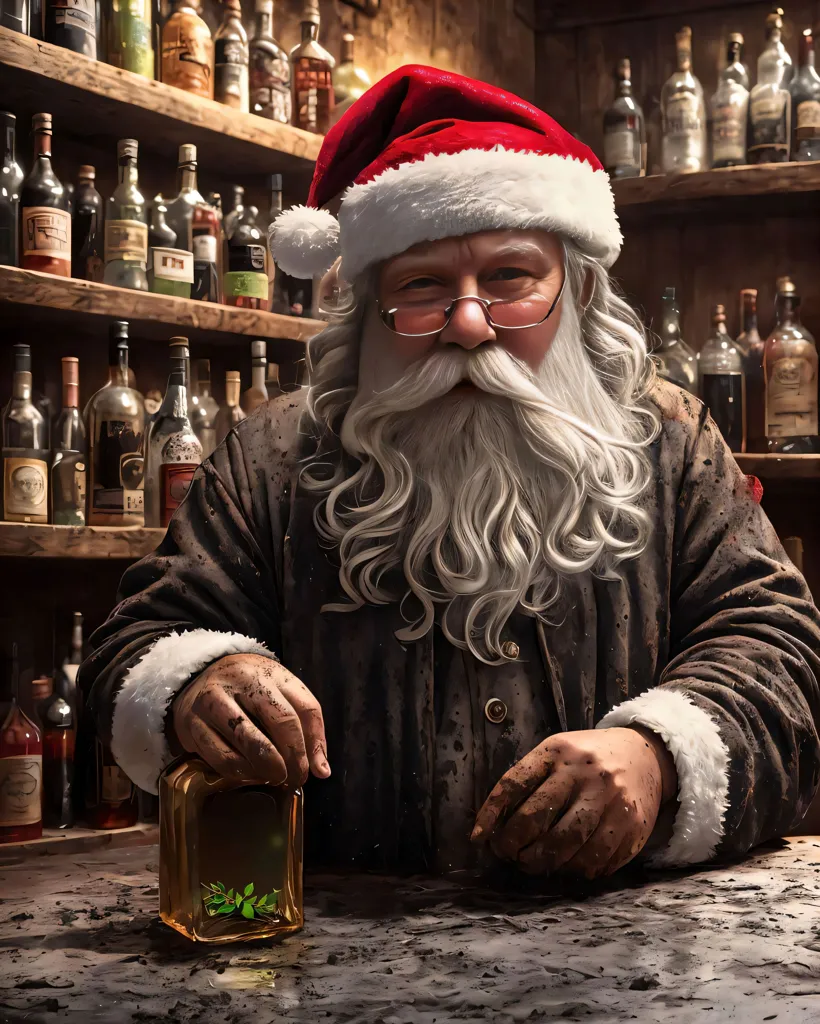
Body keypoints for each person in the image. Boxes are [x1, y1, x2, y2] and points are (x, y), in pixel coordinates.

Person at [82, 65, 820, 880]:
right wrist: (197, 681)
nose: (468, 326)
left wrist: (658, 756)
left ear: (573, 293)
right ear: (367, 316)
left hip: (630, 954)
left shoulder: (671, 443)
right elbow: (138, 644)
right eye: (423, 286)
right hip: (335, 960)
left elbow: (777, 645)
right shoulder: (270, 462)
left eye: (509, 277)